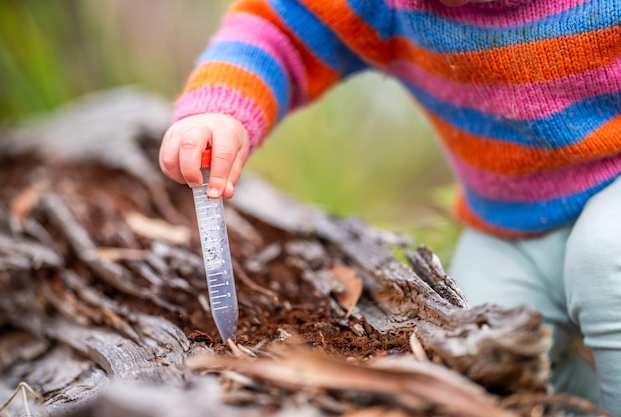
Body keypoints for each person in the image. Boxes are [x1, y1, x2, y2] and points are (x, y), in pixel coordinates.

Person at [159, 0, 621, 412]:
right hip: (511, 222)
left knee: (605, 257)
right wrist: (219, 108)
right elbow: (283, 30)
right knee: (478, 354)